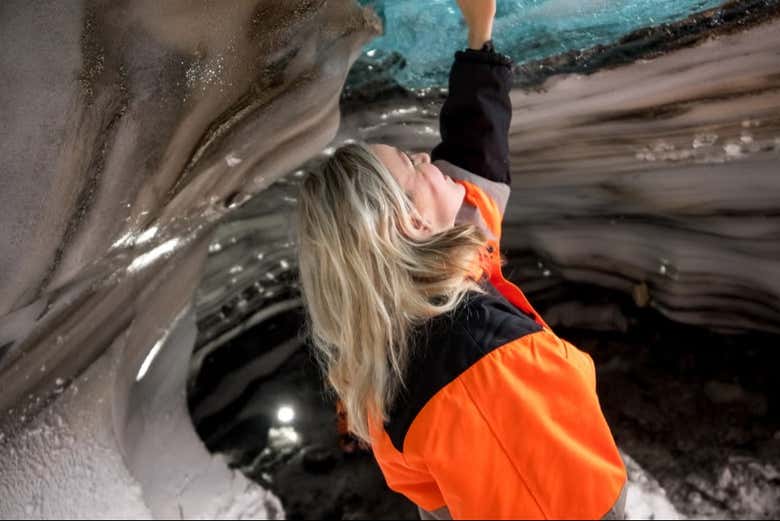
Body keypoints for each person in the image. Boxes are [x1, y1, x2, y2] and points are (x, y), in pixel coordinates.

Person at [296, 0, 627, 518]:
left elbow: (471, 165)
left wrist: (480, 39)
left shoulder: (404, 320)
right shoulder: (476, 358)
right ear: (409, 224)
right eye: (411, 164)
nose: (424, 156)